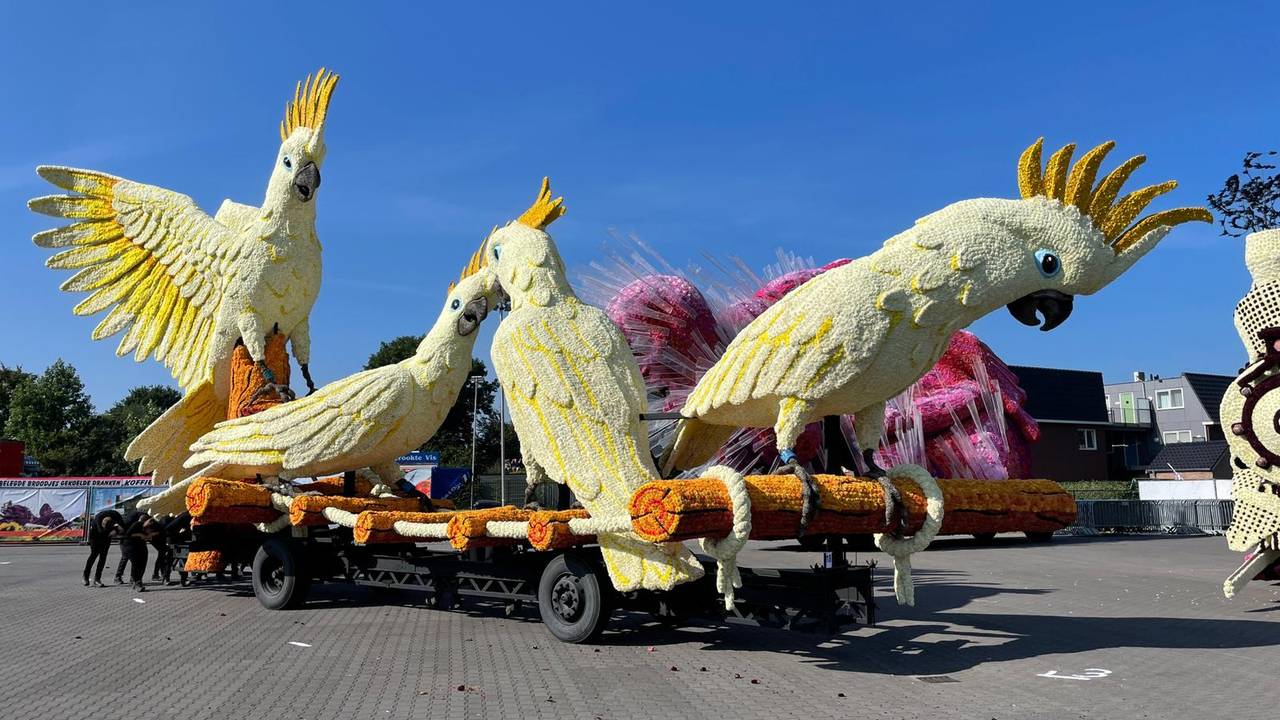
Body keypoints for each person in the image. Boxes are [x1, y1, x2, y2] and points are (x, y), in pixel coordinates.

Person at [115, 511, 159, 592]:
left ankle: (138, 580)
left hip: (141, 543)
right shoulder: (136, 524)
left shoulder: (154, 525)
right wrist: (140, 535)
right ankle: (136, 582)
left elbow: (159, 532)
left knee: (143, 561)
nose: (149, 531)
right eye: (149, 530)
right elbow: (127, 535)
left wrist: (151, 535)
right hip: (129, 544)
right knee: (136, 562)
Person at [83, 510, 122, 587]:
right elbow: (101, 531)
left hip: (107, 536)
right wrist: (114, 530)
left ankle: (97, 579)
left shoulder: (116, 516)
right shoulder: (98, 518)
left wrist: (116, 530)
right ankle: (85, 576)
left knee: (103, 556)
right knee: (94, 554)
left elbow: (124, 526)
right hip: (95, 535)